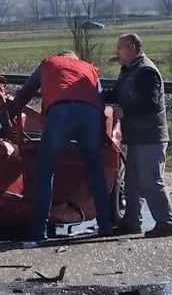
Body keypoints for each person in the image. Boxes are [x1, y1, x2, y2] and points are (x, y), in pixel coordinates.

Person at [8, 51, 113, 241]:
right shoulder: (89, 68)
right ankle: (105, 226)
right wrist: (102, 135)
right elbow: (100, 99)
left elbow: (27, 91)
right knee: (95, 172)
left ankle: (40, 230)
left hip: (60, 113)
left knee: (45, 170)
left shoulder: (49, 63)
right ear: (75, 58)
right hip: (90, 114)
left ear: (61, 56)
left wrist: (9, 114)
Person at [106, 33, 172, 238]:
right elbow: (116, 94)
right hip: (137, 135)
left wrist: (124, 111)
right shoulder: (130, 70)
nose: (117, 52)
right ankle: (131, 222)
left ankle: (165, 223)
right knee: (133, 180)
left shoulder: (146, 71)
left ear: (133, 48)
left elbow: (150, 103)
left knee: (150, 180)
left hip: (151, 136)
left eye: (120, 47)